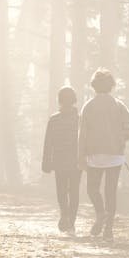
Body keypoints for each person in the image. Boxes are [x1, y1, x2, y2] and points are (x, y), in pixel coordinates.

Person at [78, 68, 129, 241]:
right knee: (111, 191)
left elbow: (82, 134)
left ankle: (100, 213)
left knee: (92, 189)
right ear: (111, 86)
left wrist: (80, 156)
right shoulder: (118, 105)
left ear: (94, 86)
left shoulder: (88, 106)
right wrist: (121, 139)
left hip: (94, 155)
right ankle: (109, 230)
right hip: (115, 155)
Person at [41, 86, 81, 234]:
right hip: (76, 161)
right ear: (74, 100)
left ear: (59, 100)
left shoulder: (54, 119)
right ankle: (71, 221)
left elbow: (48, 142)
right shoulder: (79, 119)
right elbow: (85, 141)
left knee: (61, 190)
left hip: (59, 161)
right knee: (74, 191)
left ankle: (65, 215)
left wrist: (46, 162)